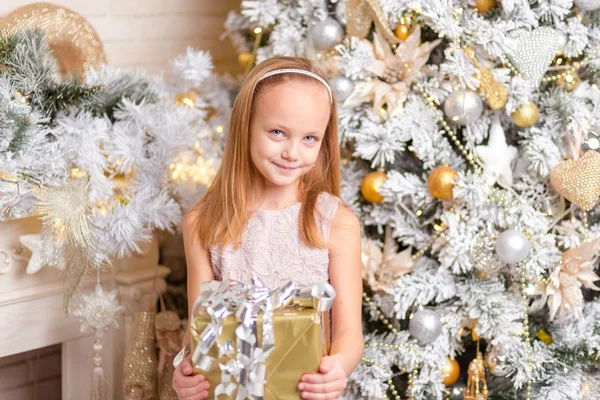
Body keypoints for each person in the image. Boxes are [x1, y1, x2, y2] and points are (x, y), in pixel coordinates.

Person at [172, 56, 364, 400]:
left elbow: (349, 330)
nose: (292, 152)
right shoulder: (202, 224)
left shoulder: (337, 224)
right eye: (277, 132)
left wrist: (339, 367)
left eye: (309, 138)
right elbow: (199, 327)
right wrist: (185, 370)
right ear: (245, 125)